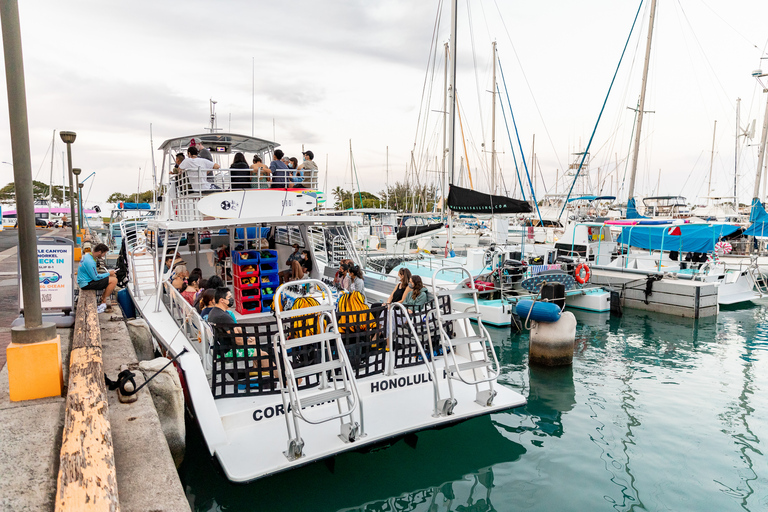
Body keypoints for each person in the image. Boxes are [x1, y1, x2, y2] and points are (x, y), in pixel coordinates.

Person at [77, 243, 117, 313]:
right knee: (114, 280)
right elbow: (96, 277)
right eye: (104, 254)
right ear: (99, 252)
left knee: (113, 276)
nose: (104, 256)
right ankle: (104, 301)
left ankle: (103, 297)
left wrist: (109, 274)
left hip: (85, 281)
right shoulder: (90, 262)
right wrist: (108, 273)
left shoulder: (88, 256)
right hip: (86, 284)